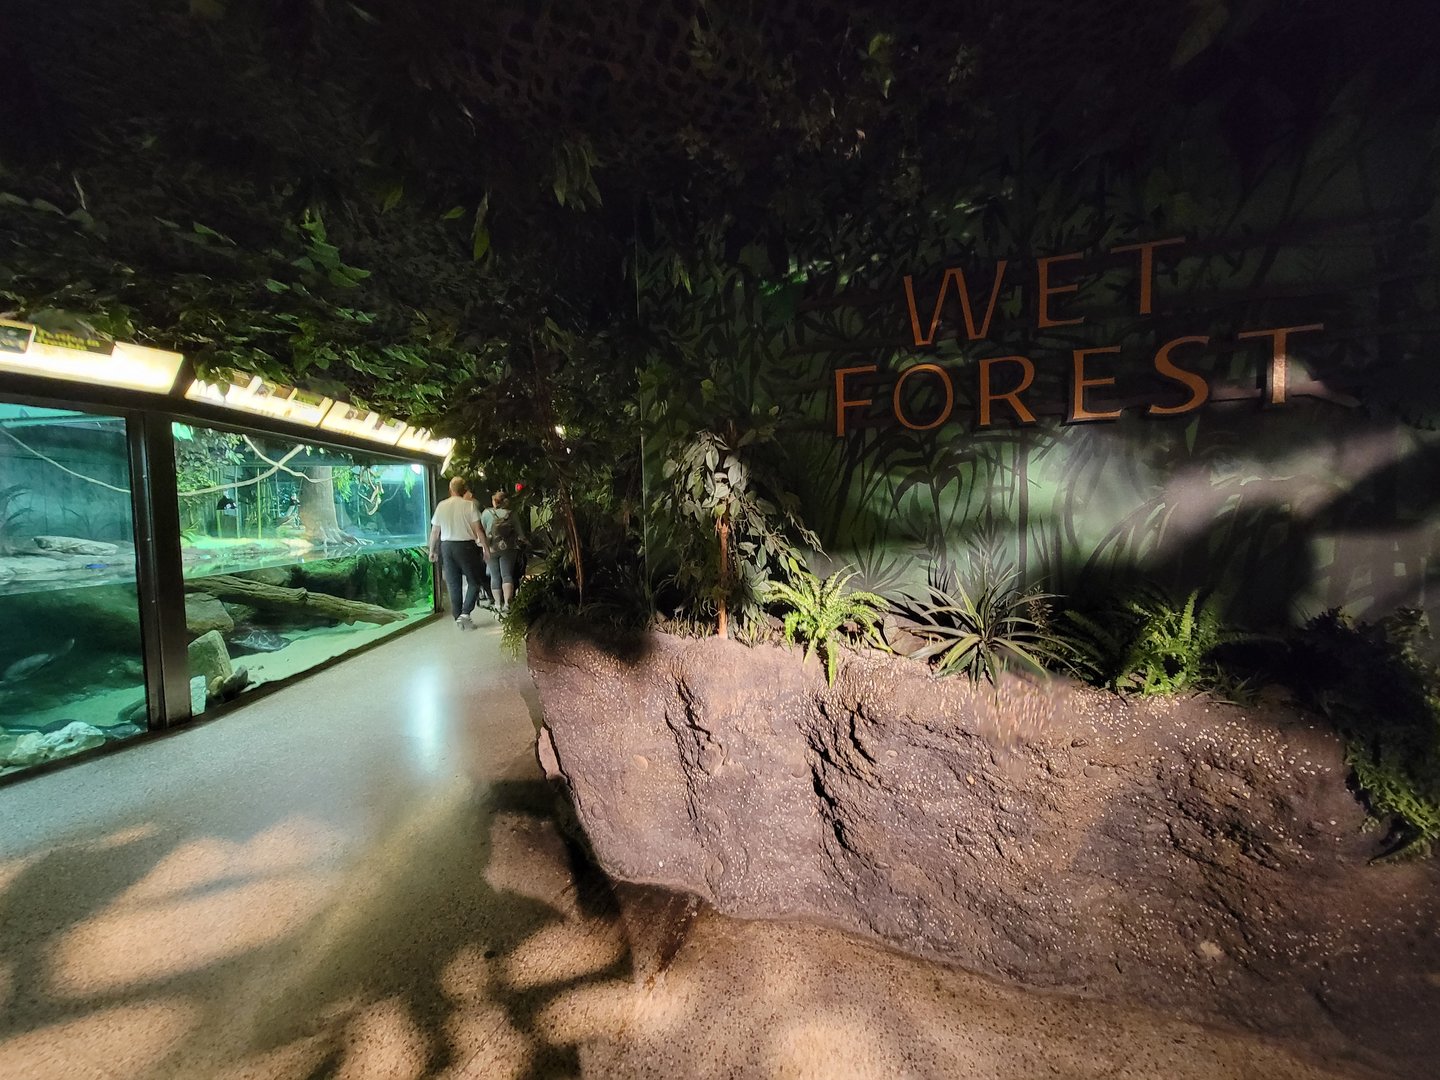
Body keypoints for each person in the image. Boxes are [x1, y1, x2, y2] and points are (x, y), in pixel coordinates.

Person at [428, 476, 489, 629]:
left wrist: (432, 550)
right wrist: (485, 548)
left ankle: (458, 618)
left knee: (453, 583)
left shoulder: (441, 506)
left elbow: (435, 531)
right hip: (466, 547)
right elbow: (478, 529)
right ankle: (465, 613)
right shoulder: (469, 506)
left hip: (446, 546)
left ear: (450, 489)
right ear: (464, 490)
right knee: (474, 581)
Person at [480, 490, 521, 613]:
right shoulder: (511, 514)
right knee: (507, 575)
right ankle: (507, 603)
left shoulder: (486, 513)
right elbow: (520, 533)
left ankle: (497, 604)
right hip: (508, 548)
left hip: (491, 548)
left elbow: (481, 531)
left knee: (495, 576)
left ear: (494, 501)